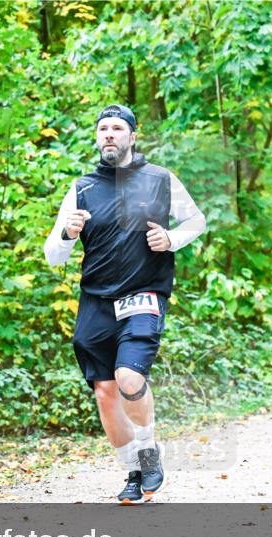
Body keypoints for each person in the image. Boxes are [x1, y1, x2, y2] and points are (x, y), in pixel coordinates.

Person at [44, 104, 206, 503]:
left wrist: (172, 239)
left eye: (118, 128)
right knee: (105, 391)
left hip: (143, 293)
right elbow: (53, 256)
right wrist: (66, 233)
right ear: (97, 138)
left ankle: (150, 452)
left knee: (130, 378)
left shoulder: (160, 180)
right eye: (103, 129)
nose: (110, 135)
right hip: (96, 301)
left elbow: (196, 221)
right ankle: (132, 471)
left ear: (133, 136)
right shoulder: (81, 188)